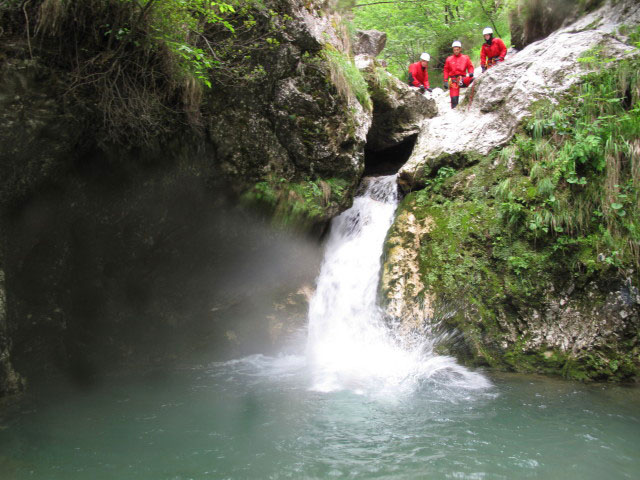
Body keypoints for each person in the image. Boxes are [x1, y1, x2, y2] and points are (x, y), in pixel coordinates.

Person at [443, 41, 474, 109]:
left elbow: (470, 67)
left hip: (462, 79)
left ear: (460, 49)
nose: (456, 51)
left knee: (474, 80)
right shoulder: (449, 59)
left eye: (457, 50)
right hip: (453, 81)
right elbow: (446, 70)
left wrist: (471, 72)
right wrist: (445, 80)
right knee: (454, 101)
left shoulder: (465, 58)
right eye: (454, 50)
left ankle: (472, 101)